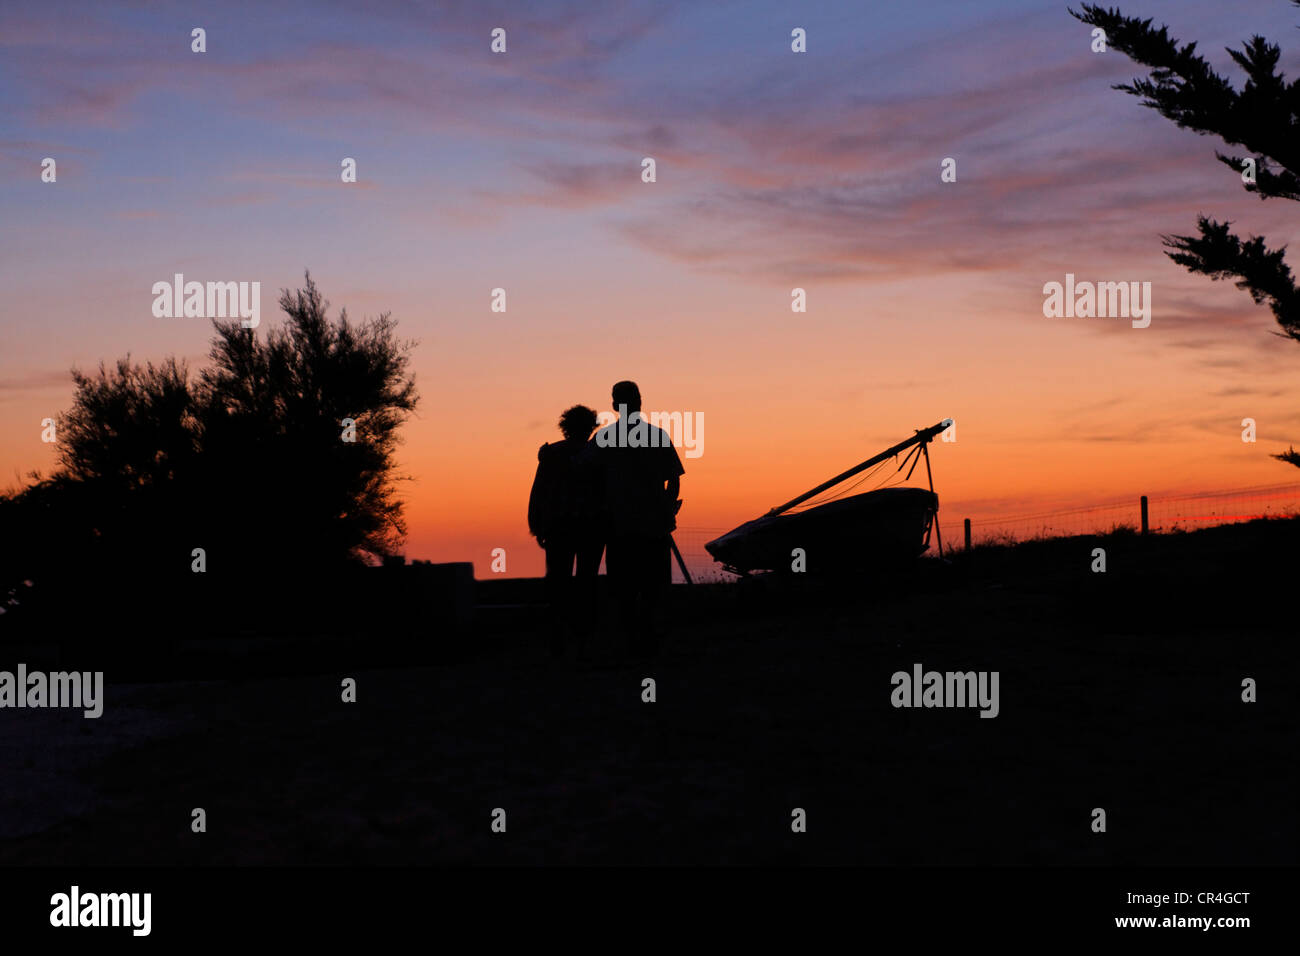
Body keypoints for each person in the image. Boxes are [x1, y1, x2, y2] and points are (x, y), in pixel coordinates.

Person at [590, 381, 685, 659]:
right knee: (654, 589)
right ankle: (650, 645)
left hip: (620, 527)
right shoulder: (656, 435)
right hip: (651, 526)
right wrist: (667, 509)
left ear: (614, 405)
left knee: (625, 590)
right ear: (639, 401)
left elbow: (587, 476)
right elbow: (674, 479)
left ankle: (632, 645)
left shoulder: (603, 439)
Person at [528, 405, 603, 658]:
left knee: (558, 584)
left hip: (559, 527)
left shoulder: (551, 454)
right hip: (591, 528)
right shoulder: (598, 454)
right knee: (587, 583)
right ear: (591, 426)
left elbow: (539, 491)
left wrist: (536, 524)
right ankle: (583, 638)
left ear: (565, 426)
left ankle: (559, 638)